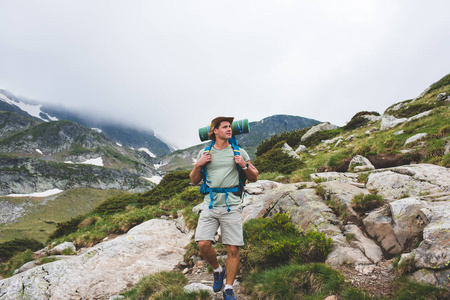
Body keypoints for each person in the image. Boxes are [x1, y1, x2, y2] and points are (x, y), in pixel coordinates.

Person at [190, 116, 258, 300]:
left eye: (230, 127)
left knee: (233, 249)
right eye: (225, 127)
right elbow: (194, 180)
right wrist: (199, 164)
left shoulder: (239, 151)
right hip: (210, 204)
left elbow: (255, 177)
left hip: (232, 205)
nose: (229, 130)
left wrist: (244, 166)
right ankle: (217, 270)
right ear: (215, 131)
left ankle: (228, 288)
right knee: (203, 243)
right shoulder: (204, 153)